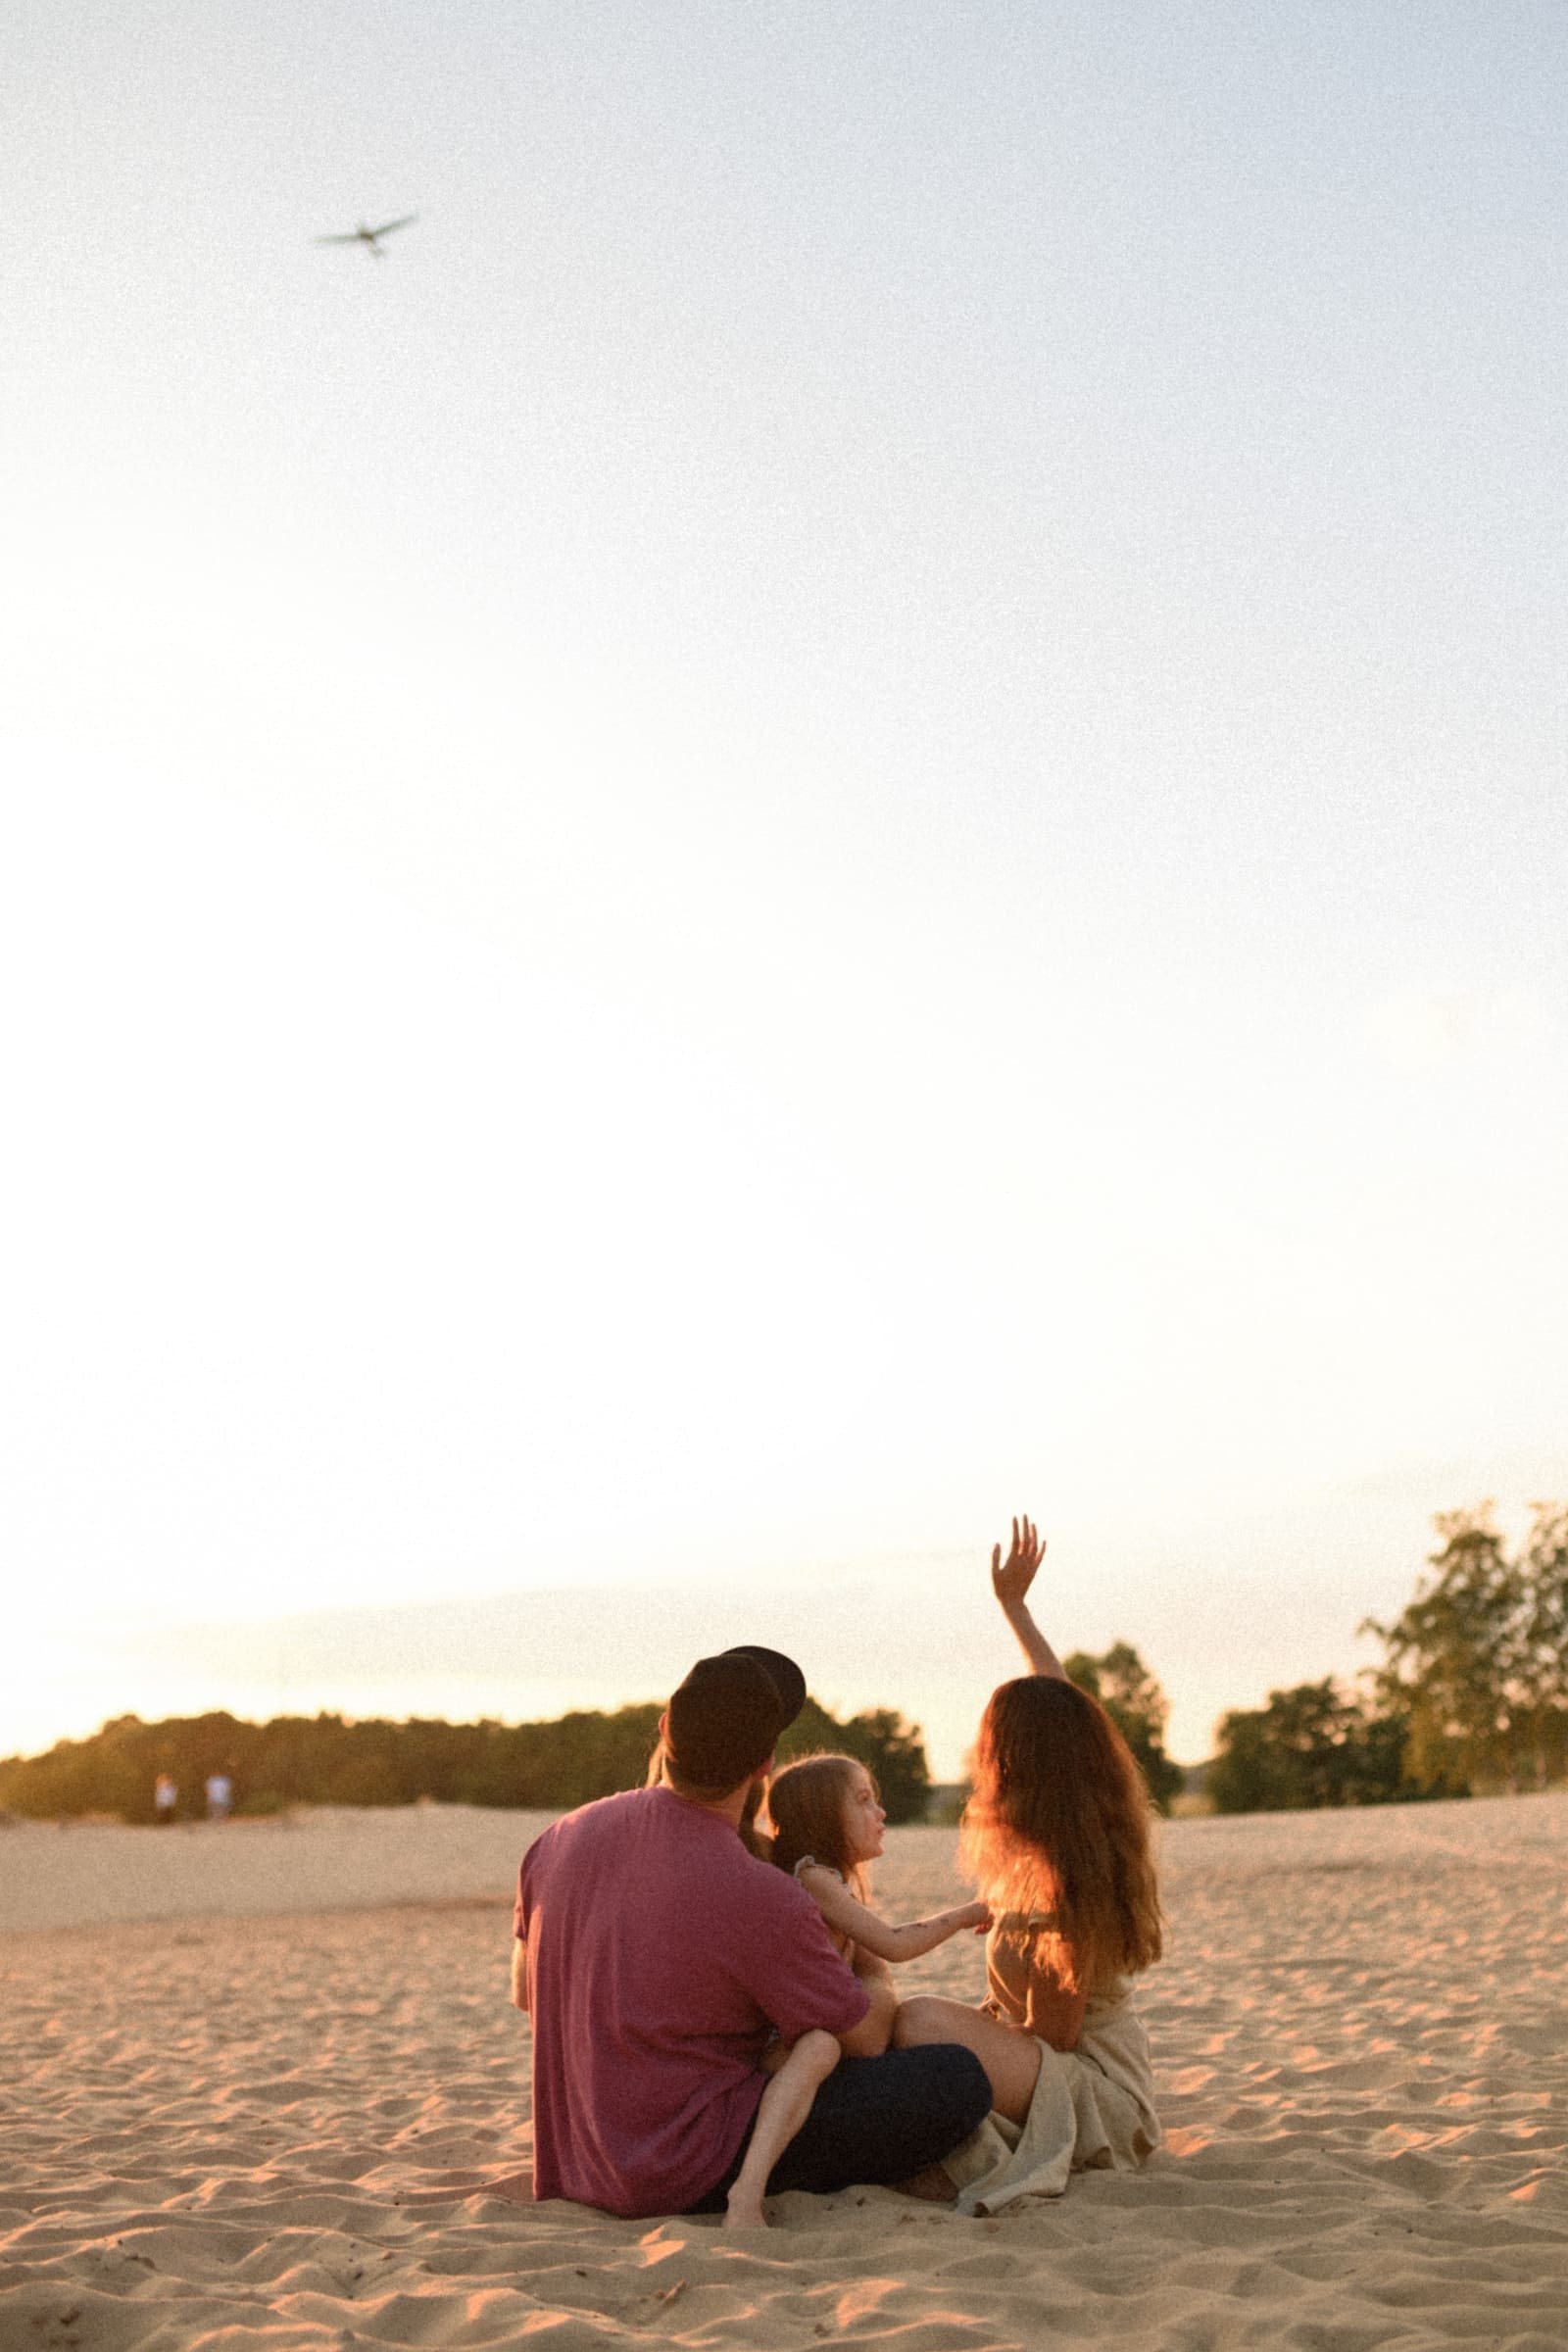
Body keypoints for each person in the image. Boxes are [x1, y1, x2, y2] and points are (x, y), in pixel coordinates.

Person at [512, 1643, 992, 2222]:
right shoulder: (759, 1890)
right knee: (954, 2078)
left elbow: (524, 1995)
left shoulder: (557, 1839)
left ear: (665, 1729)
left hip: (577, 2162)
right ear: (764, 1764)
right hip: (683, 2168)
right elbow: (865, 2039)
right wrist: (870, 1961)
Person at [893, 1516, 1164, 2213]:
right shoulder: (1062, 1843)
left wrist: (978, 2030)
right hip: (1060, 2064)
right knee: (911, 2029)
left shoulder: (1063, 1884)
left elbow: (1055, 2038)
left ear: (1015, 1768)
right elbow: (1058, 1696)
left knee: (920, 2025)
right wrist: (1015, 1608)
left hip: (1094, 2088)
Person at [718, 1753, 992, 2228]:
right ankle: (748, 2193)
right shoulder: (813, 1877)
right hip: (777, 2049)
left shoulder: (823, 1878)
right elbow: (894, 1942)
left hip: (828, 2033)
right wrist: (965, 1915)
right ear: (824, 1817)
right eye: (864, 1801)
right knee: (821, 2047)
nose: (880, 1813)